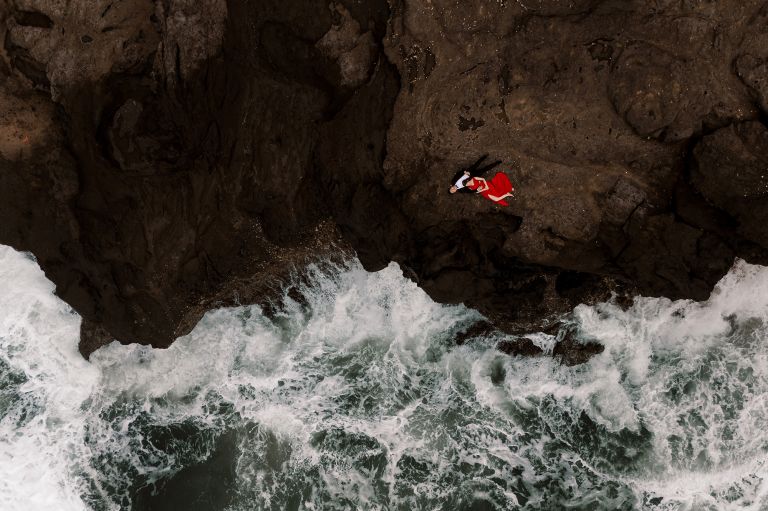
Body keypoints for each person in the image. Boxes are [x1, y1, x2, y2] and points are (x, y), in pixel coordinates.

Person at [449, 155, 514, 206]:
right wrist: (477, 190)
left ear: (451, 187)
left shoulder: (453, 181)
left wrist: (464, 172)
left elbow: (457, 175)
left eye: (451, 189)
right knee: (484, 170)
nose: (453, 189)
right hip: (472, 178)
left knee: (476, 164)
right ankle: (497, 162)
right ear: (455, 191)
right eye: (453, 191)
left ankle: (484, 157)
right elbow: (469, 191)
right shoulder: (461, 190)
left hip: (468, 173)